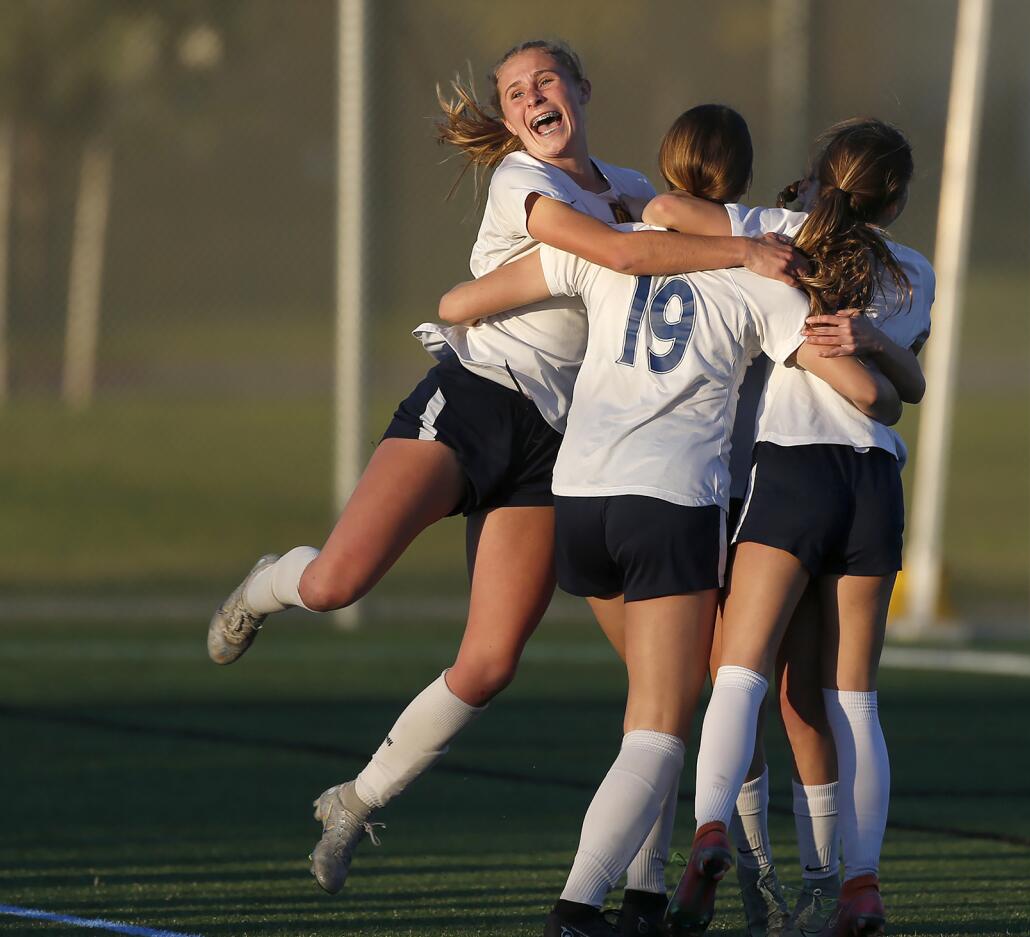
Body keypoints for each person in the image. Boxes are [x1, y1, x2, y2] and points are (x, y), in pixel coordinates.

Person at [203, 40, 804, 901]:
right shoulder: (526, 182)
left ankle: (358, 798)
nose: (532, 99)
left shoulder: (632, 187)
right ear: (512, 116)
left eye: (545, 81)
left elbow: (693, 215)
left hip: (560, 447)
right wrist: (743, 252)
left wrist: (785, 227)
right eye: (516, 91)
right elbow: (623, 253)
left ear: (583, 88)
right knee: (338, 582)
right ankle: (265, 586)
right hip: (480, 397)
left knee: (501, 664)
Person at [439, 103, 902, 937]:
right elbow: (868, 394)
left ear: (664, 165)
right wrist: (881, 360)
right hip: (681, 501)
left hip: (578, 499)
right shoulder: (761, 271)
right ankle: (589, 905)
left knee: (675, 698)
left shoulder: (603, 247)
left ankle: (655, 893)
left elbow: (459, 299)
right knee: (675, 717)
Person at [647, 117, 933, 937]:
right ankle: (860, 885)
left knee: (739, 673)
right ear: (900, 197)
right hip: (876, 482)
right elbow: (899, 386)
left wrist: (746, 233)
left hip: (795, 470)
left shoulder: (780, 232)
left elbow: (670, 211)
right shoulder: (916, 270)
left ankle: (709, 836)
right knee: (856, 701)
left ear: (818, 177)